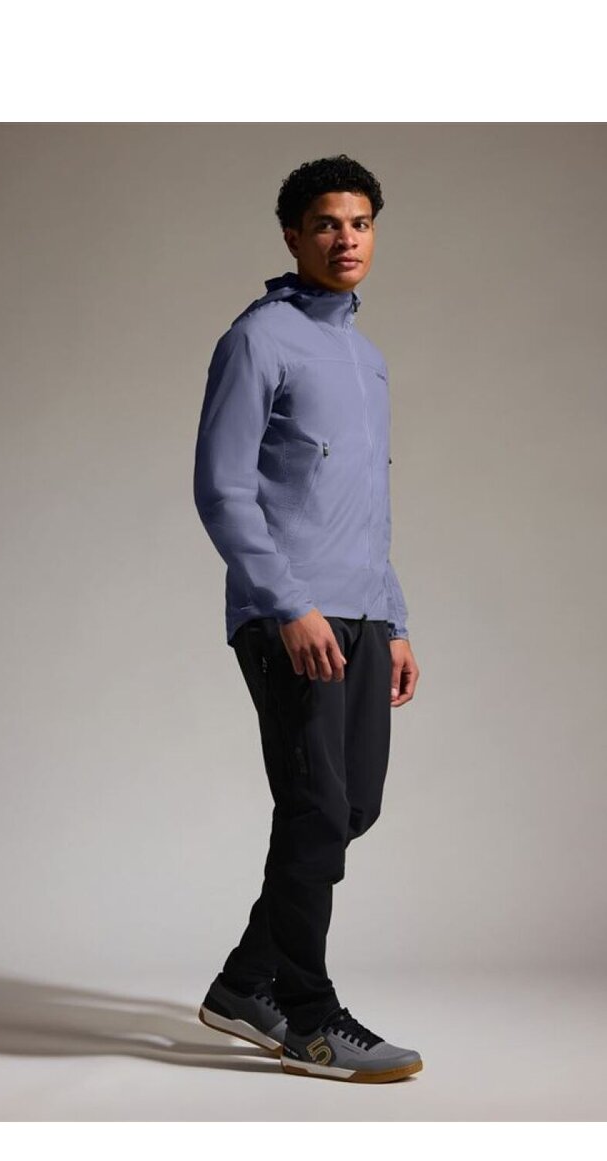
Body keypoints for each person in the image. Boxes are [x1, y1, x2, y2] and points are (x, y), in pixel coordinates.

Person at [192, 154, 422, 1084]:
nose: (346, 238)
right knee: (315, 806)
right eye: (328, 223)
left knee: (351, 807)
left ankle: (245, 984)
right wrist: (287, 605)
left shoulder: (366, 359)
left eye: (360, 223)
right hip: (290, 616)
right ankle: (309, 1018)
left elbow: (365, 506)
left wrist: (393, 619)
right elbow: (221, 489)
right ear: (293, 235)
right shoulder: (259, 340)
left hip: (363, 615)